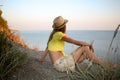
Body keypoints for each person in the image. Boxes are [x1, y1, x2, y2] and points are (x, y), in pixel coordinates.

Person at [38, 16, 106, 72]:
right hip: (62, 64)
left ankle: (100, 64)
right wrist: (89, 45)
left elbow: (47, 49)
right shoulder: (59, 35)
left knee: (85, 55)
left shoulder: (53, 37)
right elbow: (74, 42)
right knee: (84, 48)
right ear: (64, 26)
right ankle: (104, 64)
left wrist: (41, 59)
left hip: (59, 64)